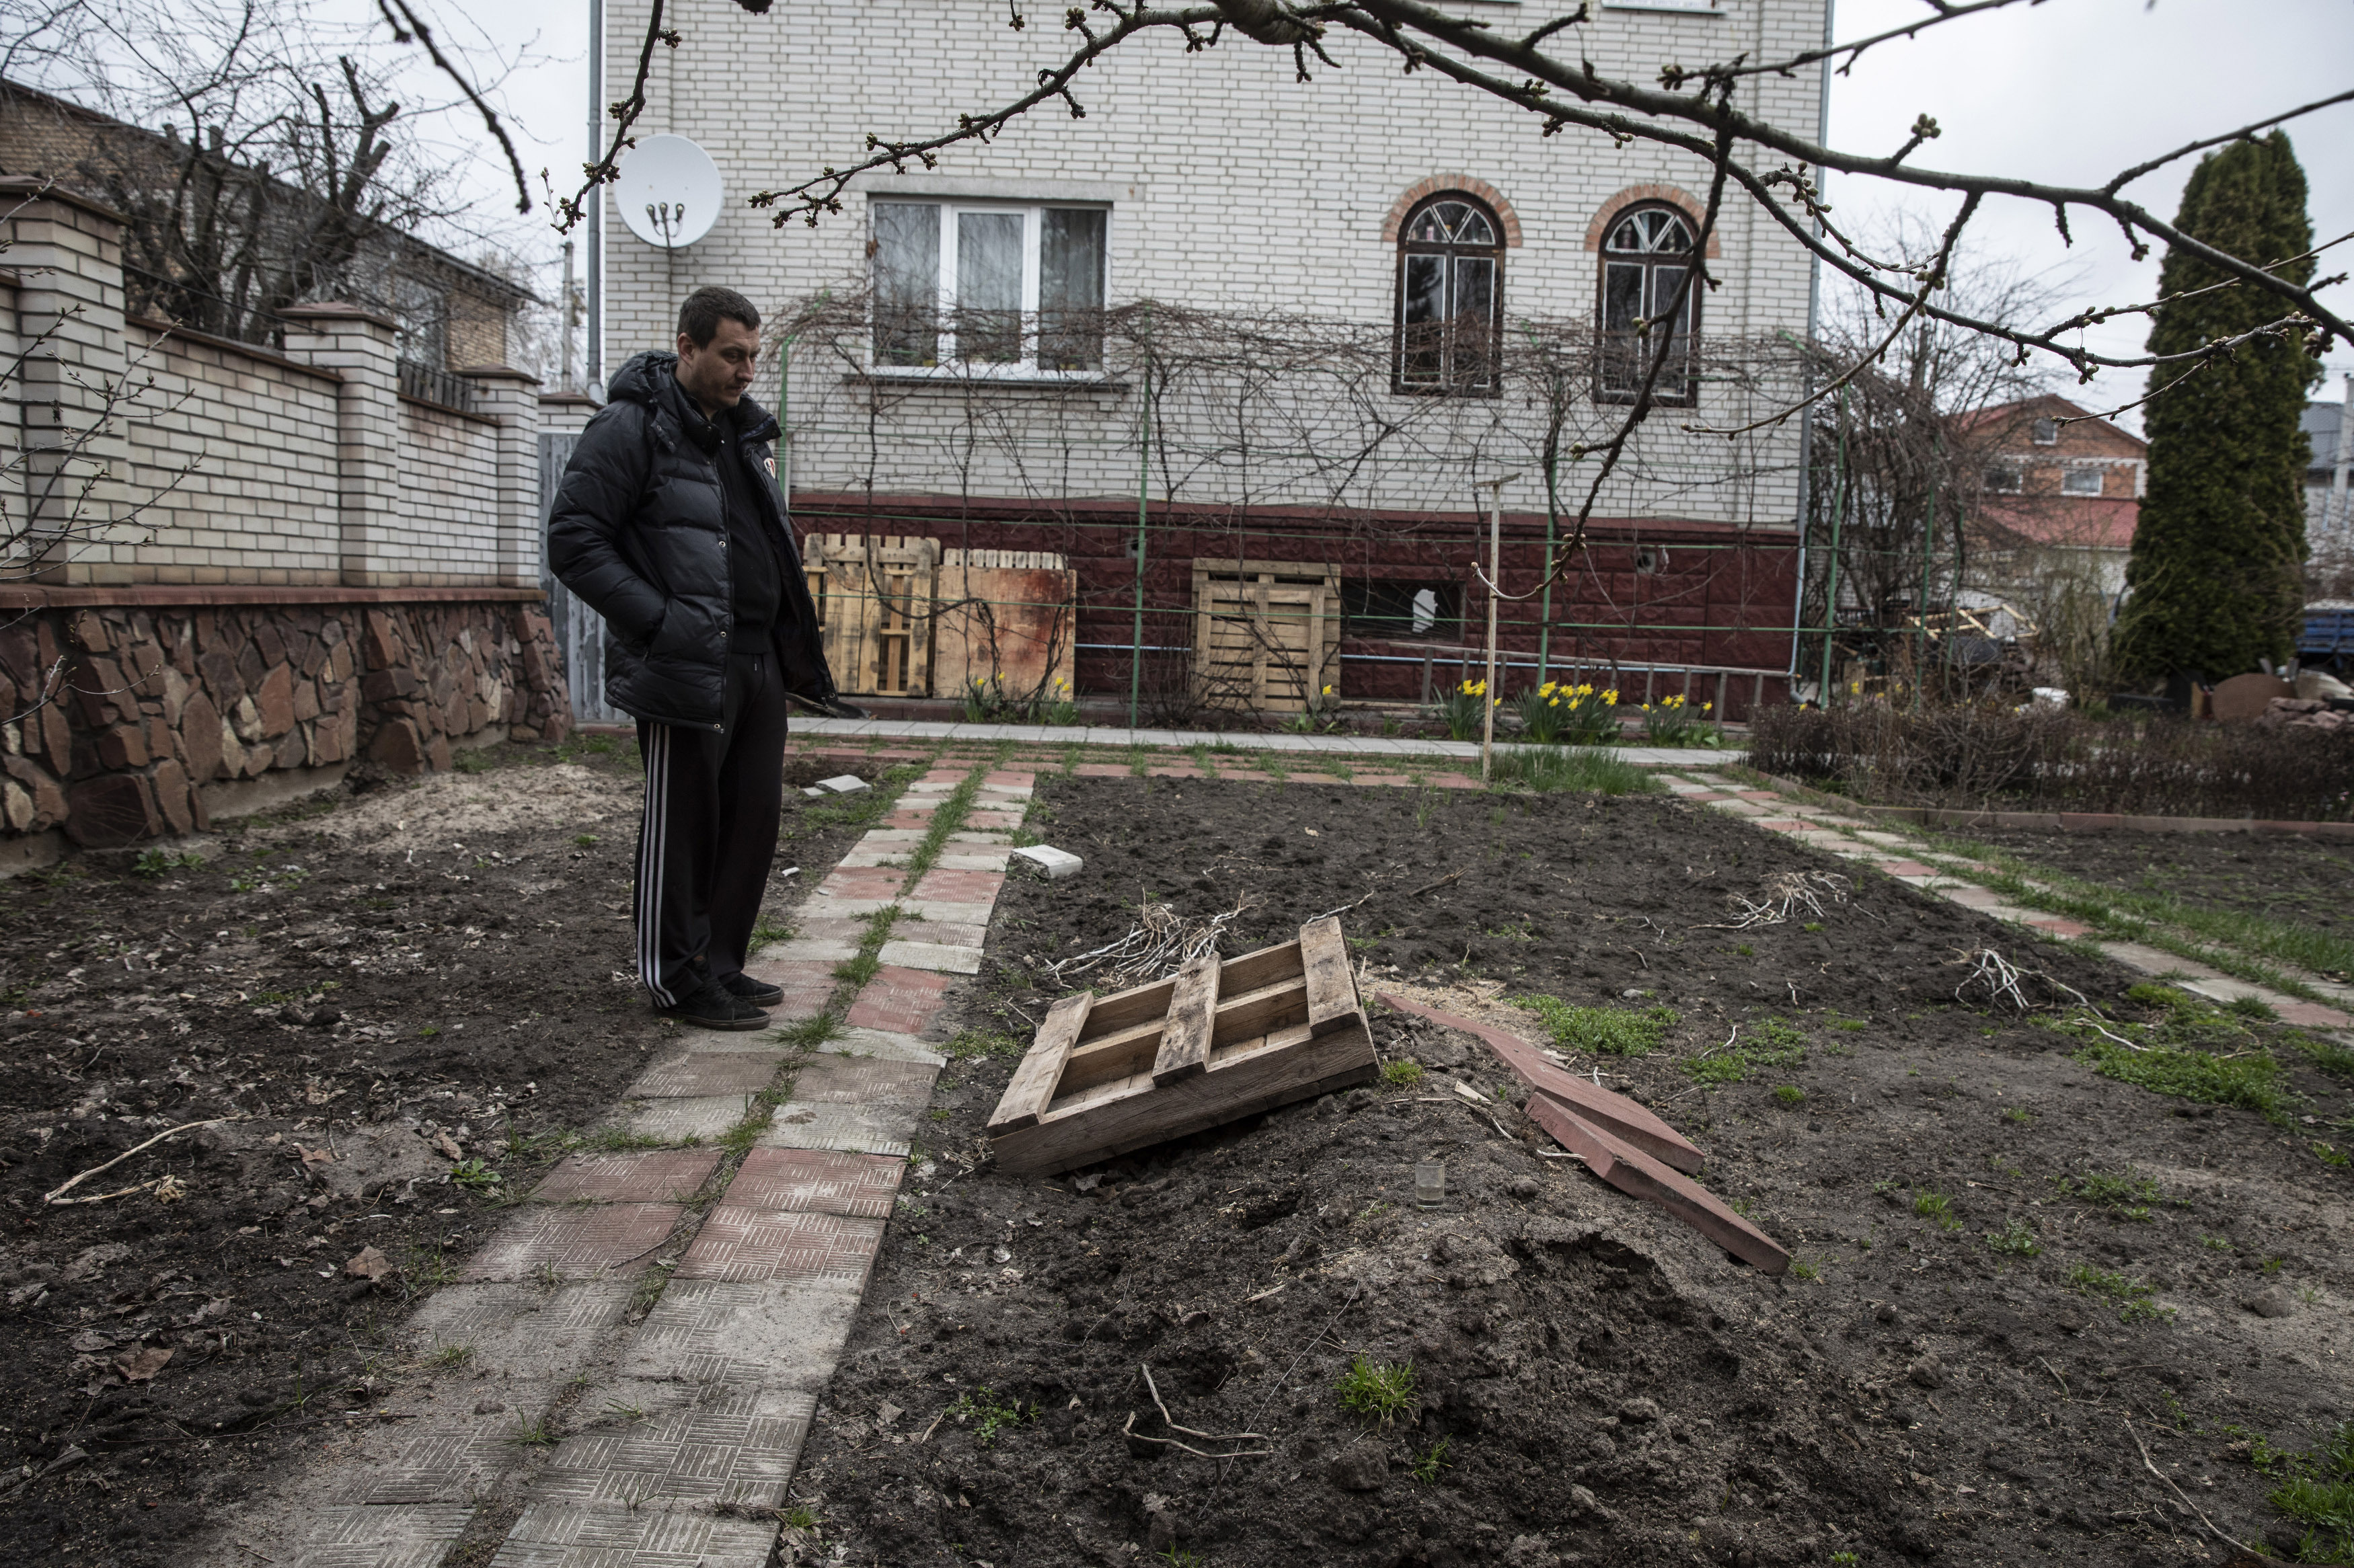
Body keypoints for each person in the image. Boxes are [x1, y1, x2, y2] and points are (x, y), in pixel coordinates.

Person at [546, 286, 849, 1029]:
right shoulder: (630, 428)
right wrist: (661, 623)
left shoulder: (743, 436)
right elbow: (573, 541)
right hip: (687, 664)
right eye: (731, 354)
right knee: (685, 825)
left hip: (755, 661)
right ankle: (674, 979)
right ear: (686, 347)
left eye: (753, 355)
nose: (747, 370)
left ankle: (719, 963)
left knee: (752, 819)